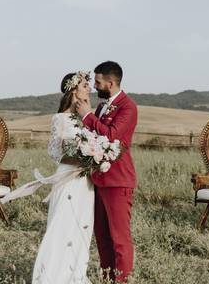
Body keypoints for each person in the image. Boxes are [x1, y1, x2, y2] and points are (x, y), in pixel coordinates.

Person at [6, 71, 95, 284]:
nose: (89, 89)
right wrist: (87, 158)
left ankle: (76, 273)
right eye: (84, 85)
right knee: (62, 223)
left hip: (86, 181)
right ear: (73, 90)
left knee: (82, 224)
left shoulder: (86, 118)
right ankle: (54, 275)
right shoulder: (61, 118)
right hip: (69, 176)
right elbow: (56, 152)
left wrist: (94, 156)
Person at [73, 61, 138, 283]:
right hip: (99, 180)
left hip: (118, 181)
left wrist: (86, 116)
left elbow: (112, 136)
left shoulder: (128, 107)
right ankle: (107, 278)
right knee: (102, 236)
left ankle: (122, 281)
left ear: (110, 83)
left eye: (98, 82)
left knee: (119, 238)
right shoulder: (102, 107)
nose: (94, 86)